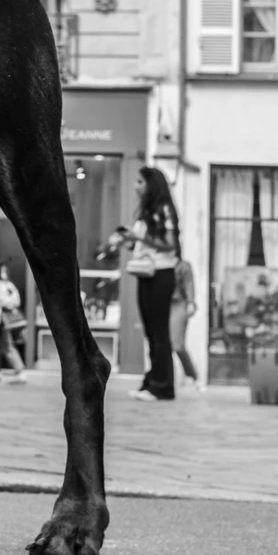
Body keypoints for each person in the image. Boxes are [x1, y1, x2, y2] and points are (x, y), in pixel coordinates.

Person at [115, 165, 184, 401]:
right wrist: (128, 241)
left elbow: (169, 244)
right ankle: (152, 382)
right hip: (146, 275)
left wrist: (138, 237)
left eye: (140, 182)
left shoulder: (164, 210)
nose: (136, 186)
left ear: (151, 185)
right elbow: (142, 245)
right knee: (151, 331)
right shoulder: (146, 212)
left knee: (159, 331)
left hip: (161, 274)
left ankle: (162, 386)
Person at [0, 263, 28, 382]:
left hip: (4, 320)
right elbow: (1, 300)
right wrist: (9, 302)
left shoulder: (8, 285)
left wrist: (9, 302)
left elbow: (16, 300)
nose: (4, 273)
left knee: (4, 345)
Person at [171, 255, 203, 391]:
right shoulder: (158, 262)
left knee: (178, 345)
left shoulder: (183, 266)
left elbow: (189, 285)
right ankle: (167, 380)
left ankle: (193, 375)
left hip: (178, 305)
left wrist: (191, 302)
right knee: (162, 346)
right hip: (161, 305)